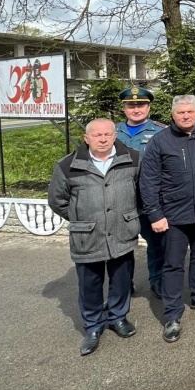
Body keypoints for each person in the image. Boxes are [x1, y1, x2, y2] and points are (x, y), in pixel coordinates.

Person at [48, 119, 142, 356]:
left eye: (107, 134)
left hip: (122, 231)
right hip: (87, 237)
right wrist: (82, 219)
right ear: (86, 138)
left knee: (121, 279)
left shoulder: (132, 159)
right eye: (97, 135)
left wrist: (130, 214)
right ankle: (93, 326)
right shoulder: (68, 165)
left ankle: (118, 317)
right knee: (89, 284)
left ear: (114, 136)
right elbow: (57, 200)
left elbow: (141, 191)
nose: (102, 139)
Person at [140, 95, 195, 343]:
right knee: (173, 265)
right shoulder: (160, 141)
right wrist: (155, 214)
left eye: (190, 111)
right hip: (173, 215)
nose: (186, 116)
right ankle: (172, 315)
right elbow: (148, 181)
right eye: (180, 113)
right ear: (173, 115)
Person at [115, 86, 166, 298]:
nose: (136, 109)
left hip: (149, 200)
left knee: (156, 244)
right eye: (131, 105)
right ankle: (124, 285)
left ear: (149, 106)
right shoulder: (112, 132)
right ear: (124, 108)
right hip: (120, 200)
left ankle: (158, 281)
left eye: (141, 104)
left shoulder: (161, 132)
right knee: (121, 248)